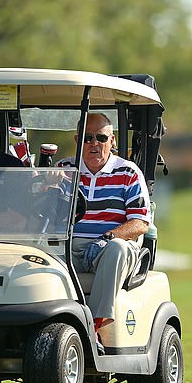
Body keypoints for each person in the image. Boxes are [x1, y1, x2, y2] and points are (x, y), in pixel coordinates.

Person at [57, 113, 150, 354]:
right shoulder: (63, 170)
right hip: (70, 247)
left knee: (116, 249)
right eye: (87, 138)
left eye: (100, 137)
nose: (94, 143)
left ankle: (94, 328)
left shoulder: (128, 172)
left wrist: (107, 237)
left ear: (112, 140)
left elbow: (140, 223)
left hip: (112, 246)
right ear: (78, 140)